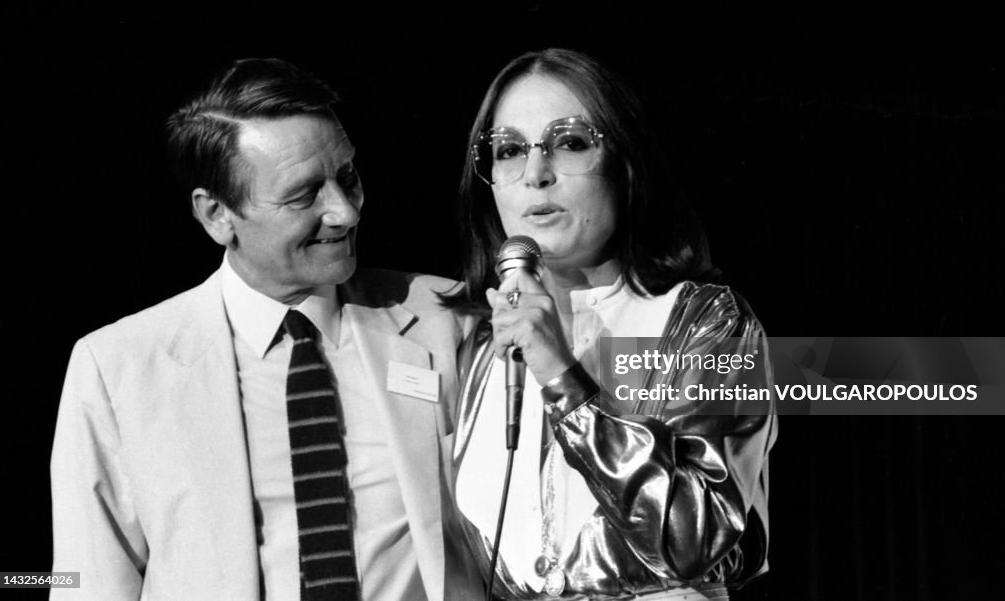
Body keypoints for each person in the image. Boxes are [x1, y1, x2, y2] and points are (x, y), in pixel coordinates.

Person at [50, 58, 481, 600]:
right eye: (304, 196)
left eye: (347, 178)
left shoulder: (448, 320)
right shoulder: (116, 367)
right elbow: (87, 582)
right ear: (216, 216)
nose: (344, 212)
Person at [444, 48, 776, 600]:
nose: (535, 174)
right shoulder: (479, 348)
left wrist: (560, 374)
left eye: (570, 142)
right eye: (507, 151)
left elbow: (693, 538)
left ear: (625, 163)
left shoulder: (704, 320)